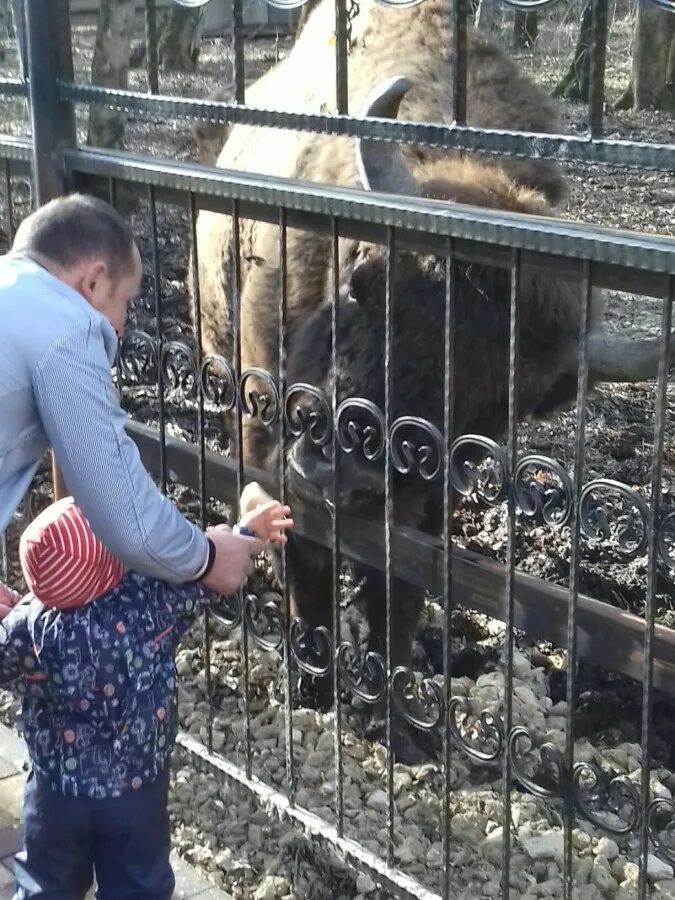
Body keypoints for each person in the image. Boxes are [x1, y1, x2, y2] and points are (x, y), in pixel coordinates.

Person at [0, 485, 293, 900]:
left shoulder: (27, 628)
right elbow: (207, 577)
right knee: (138, 884)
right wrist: (247, 530)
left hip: (55, 794)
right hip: (134, 790)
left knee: (45, 881)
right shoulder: (145, 605)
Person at [0, 193, 251, 597]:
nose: (122, 324)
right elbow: (123, 513)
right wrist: (207, 558)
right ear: (94, 281)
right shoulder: (65, 330)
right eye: (126, 301)